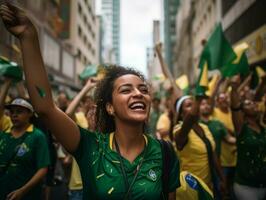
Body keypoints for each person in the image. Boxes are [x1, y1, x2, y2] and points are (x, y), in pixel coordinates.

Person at [0, 3, 180, 199]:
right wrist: (28, 36)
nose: (138, 93)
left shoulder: (165, 153)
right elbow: (45, 108)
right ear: (110, 107)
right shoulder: (90, 146)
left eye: (143, 89)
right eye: (126, 90)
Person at [173, 95, 225, 198]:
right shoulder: (178, 130)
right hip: (192, 188)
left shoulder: (205, 128)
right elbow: (191, 118)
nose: (195, 108)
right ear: (181, 113)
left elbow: (213, 156)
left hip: (209, 184)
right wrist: (198, 98)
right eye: (189, 105)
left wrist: (222, 179)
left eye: (195, 105)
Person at [0, 98, 50, 200]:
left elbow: (43, 169)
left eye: (19, 112)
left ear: (30, 113)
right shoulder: (4, 135)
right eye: (12, 112)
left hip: (28, 195)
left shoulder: (37, 136)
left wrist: (23, 190)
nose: (14, 115)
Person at [230, 75, 266, 200]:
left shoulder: (263, 128)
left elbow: (257, 97)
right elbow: (235, 108)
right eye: (248, 104)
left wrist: (263, 82)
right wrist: (234, 89)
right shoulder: (242, 128)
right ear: (243, 112)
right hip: (246, 187)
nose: (254, 104)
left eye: (253, 103)